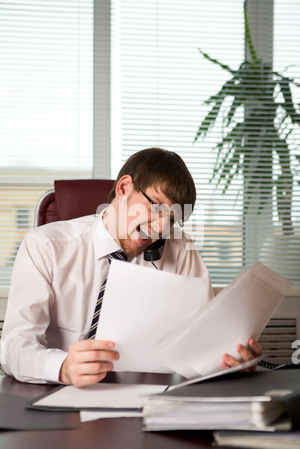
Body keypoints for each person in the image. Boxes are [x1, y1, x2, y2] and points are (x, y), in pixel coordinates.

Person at [1, 148, 262, 387]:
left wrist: (229, 360)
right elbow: (15, 348)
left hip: (150, 399)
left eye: (172, 218)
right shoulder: (46, 247)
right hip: (61, 400)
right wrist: (62, 367)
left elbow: (204, 342)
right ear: (124, 187)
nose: (161, 228)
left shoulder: (181, 250)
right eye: (157, 207)